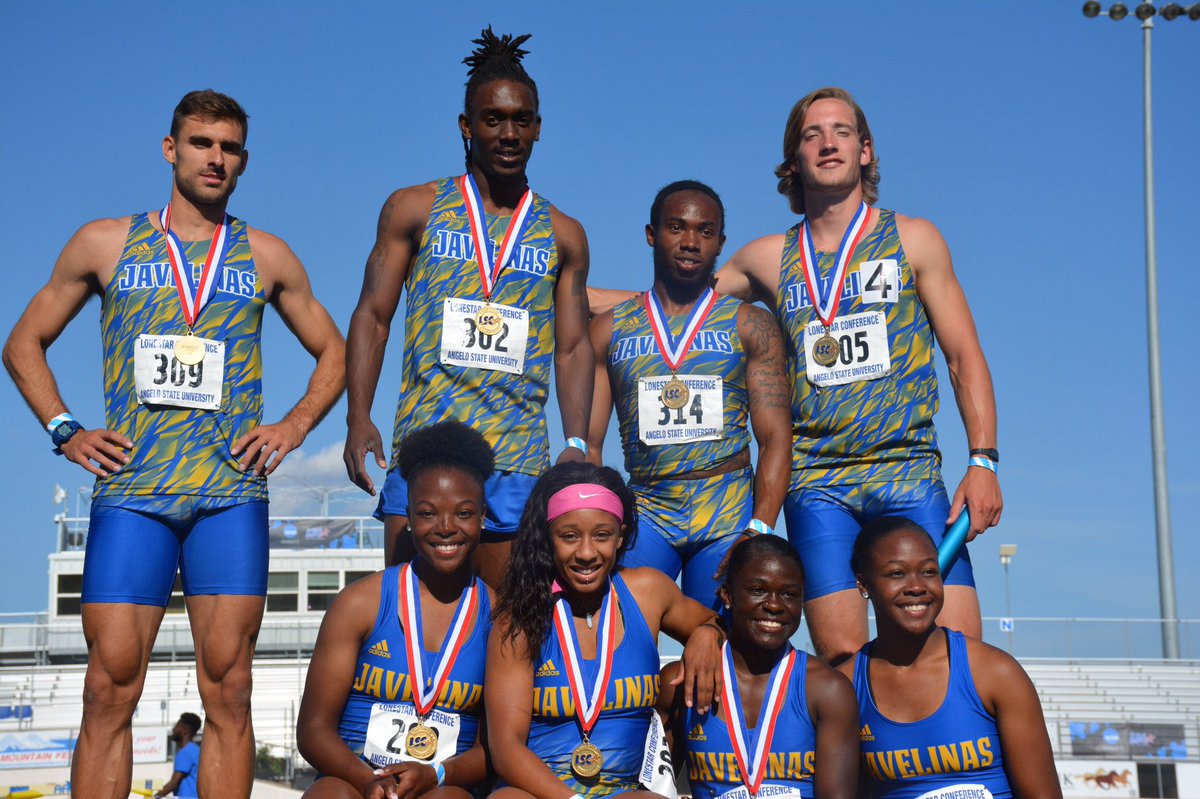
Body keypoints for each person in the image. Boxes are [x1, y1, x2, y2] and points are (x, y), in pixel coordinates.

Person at [2, 90, 345, 799]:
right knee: (107, 688)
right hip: (134, 492)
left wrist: (294, 427)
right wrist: (65, 428)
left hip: (229, 496)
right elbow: (23, 341)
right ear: (170, 149)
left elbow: (334, 352)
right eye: (201, 143)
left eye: (229, 147)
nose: (215, 158)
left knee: (231, 688)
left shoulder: (266, 255)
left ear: (243, 161)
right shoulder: (104, 243)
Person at [714, 87, 1002, 663]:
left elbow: (963, 355)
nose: (828, 143)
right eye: (812, 134)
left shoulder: (914, 239)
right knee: (845, 662)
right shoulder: (766, 258)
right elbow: (675, 310)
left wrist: (983, 461)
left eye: (841, 131)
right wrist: (568, 296)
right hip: (818, 481)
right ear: (793, 159)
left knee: (958, 654)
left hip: (907, 469)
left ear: (865, 151)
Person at [343, 27, 593, 587]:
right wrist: (359, 416)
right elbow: (373, 316)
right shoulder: (414, 208)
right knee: (411, 621)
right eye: (493, 119)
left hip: (517, 460)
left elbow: (574, 346)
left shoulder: (564, 233)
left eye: (522, 120)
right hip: (426, 451)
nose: (509, 133)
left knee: (510, 624)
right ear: (466, 125)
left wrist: (576, 442)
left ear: (538, 127)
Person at [586, 181, 790, 608]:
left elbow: (775, 438)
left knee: (720, 638)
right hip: (648, 511)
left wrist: (760, 528)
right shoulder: (608, 329)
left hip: (727, 511)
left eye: (705, 231)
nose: (691, 242)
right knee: (621, 624)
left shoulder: (751, 324)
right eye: (677, 227)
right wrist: (596, 521)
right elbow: (591, 445)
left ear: (720, 243)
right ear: (651, 234)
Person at [486, 463, 725, 799]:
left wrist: (706, 634)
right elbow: (506, 749)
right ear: (548, 537)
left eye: (602, 535)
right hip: (539, 792)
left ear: (620, 536)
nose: (586, 553)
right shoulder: (520, 616)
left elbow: (726, 629)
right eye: (569, 536)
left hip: (624, 792)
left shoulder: (648, 592)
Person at [298, 421, 494, 799]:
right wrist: (368, 779)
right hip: (356, 779)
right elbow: (313, 730)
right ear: (408, 518)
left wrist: (436, 774)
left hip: (441, 783)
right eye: (427, 514)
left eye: (464, 513)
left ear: (483, 517)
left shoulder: (500, 618)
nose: (446, 527)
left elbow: (497, 748)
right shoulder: (359, 604)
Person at [840, 518, 1060, 799]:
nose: (917, 586)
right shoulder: (844, 686)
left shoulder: (996, 673)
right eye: (897, 574)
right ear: (863, 584)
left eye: (929, 572)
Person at [658, 535, 859, 799]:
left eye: (788, 594)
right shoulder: (680, 683)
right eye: (757, 590)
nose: (774, 605)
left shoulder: (828, 689)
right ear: (727, 594)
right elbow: (653, 790)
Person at [155, 713, 202, 798]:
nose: (173, 729)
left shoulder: (186, 752)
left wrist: (155, 796)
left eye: (176, 726)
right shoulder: (196, 750)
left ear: (185, 730)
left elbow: (173, 783)